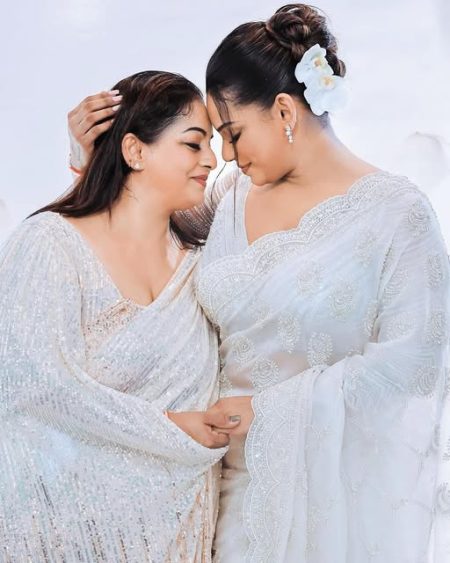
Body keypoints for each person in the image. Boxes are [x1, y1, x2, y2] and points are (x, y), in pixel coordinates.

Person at [68, 5, 449, 562]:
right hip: (222, 494)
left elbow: (413, 366)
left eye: (233, 133)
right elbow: (140, 230)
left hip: (333, 504)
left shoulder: (397, 215)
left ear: (285, 110)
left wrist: (269, 412)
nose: (224, 154)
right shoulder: (228, 197)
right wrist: (94, 158)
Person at [0, 70, 240, 563]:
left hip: (178, 539)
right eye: (193, 144)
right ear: (134, 151)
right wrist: (169, 426)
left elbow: (266, 172)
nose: (212, 159)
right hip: (62, 538)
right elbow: (34, 385)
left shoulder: (203, 260)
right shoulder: (50, 244)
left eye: (212, 144)